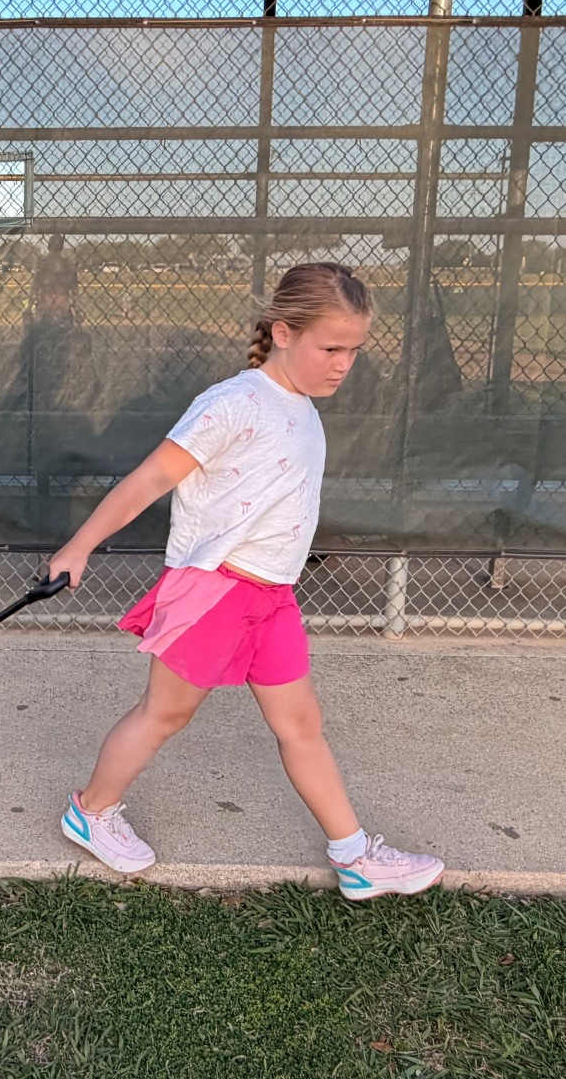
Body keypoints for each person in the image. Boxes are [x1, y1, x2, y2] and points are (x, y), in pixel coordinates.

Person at [47, 263, 444, 901]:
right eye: (331, 348)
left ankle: (355, 857)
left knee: (302, 723)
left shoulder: (303, 409)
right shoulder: (233, 403)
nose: (344, 365)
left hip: (273, 597)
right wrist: (79, 545)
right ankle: (90, 811)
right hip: (215, 591)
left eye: (354, 351)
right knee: (164, 713)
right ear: (283, 332)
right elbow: (151, 479)